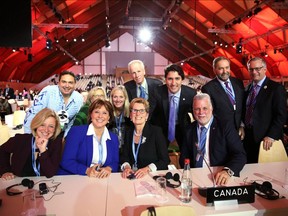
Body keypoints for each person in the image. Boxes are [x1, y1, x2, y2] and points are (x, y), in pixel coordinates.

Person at [180, 93, 246, 186]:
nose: (201, 112)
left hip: (219, 177)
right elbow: (184, 157)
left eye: (205, 108)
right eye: (197, 109)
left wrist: (228, 171)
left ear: (211, 109)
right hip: (195, 177)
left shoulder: (225, 127)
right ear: (193, 111)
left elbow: (240, 155)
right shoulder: (189, 130)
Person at [58, 99, 119, 178]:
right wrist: (87, 170)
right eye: (97, 112)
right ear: (91, 115)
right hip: (76, 178)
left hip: (100, 179)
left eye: (104, 113)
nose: (100, 116)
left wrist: (109, 168)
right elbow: (66, 161)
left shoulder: (113, 138)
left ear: (109, 118)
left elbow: (115, 162)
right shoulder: (76, 132)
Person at [243, 57, 287, 163]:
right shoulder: (247, 88)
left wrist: (271, 135)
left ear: (265, 69)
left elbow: (281, 115)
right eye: (251, 69)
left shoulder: (276, 88)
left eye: (257, 69)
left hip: (266, 139)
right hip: (248, 137)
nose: (254, 72)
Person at [0, 108, 63, 179]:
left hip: (44, 185)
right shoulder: (20, 139)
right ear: (36, 125)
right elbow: (2, 150)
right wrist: (5, 171)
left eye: (51, 126)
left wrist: (43, 150)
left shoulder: (56, 143)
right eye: (42, 125)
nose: (46, 129)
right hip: (18, 185)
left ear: (55, 129)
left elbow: (50, 173)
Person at [150, 64, 197, 149]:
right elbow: (149, 112)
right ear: (165, 79)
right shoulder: (157, 92)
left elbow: (196, 115)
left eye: (177, 78)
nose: (173, 83)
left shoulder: (191, 94)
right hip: (162, 126)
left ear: (182, 79)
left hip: (182, 126)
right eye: (170, 79)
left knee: (187, 153)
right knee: (159, 154)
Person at [121, 98, 170, 179]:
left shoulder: (156, 132)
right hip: (132, 177)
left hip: (151, 177)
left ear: (147, 115)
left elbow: (165, 160)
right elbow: (124, 156)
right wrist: (126, 167)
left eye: (142, 111)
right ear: (130, 115)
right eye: (134, 110)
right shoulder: (128, 132)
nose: (138, 114)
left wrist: (147, 169)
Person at [24, 71, 83, 137]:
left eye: (70, 83)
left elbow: (73, 122)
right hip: (43, 133)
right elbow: (32, 113)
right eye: (64, 82)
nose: (67, 85)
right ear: (58, 83)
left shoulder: (79, 98)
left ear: (75, 84)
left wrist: (65, 138)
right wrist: (28, 135)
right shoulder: (48, 91)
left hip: (62, 135)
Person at [202, 56, 245, 139]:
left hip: (239, 130)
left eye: (227, 67)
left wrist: (241, 125)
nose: (225, 71)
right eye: (220, 68)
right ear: (214, 70)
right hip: (221, 132)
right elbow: (210, 113)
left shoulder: (238, 83)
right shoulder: (208, 88)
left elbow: (241, 106)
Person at [108, 85, 132, 152]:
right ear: (111, 98)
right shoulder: (107, 113)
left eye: (121, 97)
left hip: (127, 150)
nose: (118, 100)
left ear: (125, 98)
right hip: (111, 149)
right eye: (115, 97)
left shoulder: (131, 113)